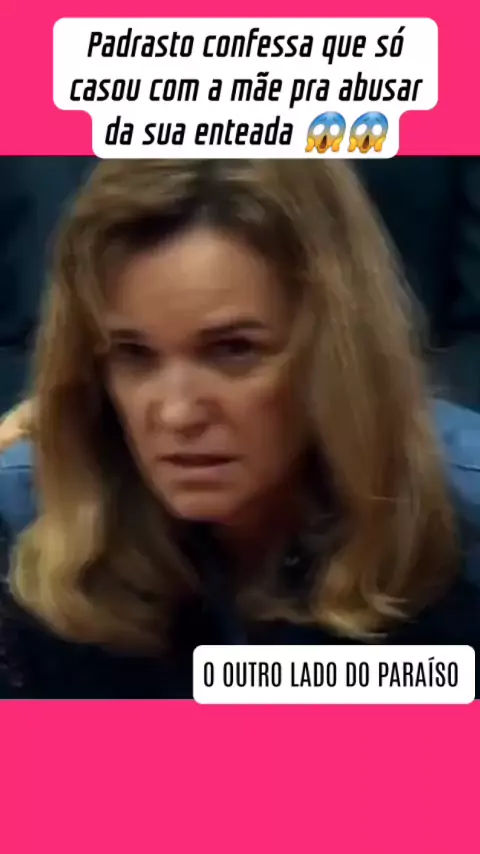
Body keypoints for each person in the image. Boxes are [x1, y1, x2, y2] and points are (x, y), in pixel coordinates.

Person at [0, 159, 479, 700]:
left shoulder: (463, 519)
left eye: (233, 351)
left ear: (336, 353)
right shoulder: (22, 526)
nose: (177, 414)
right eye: (133, 355)